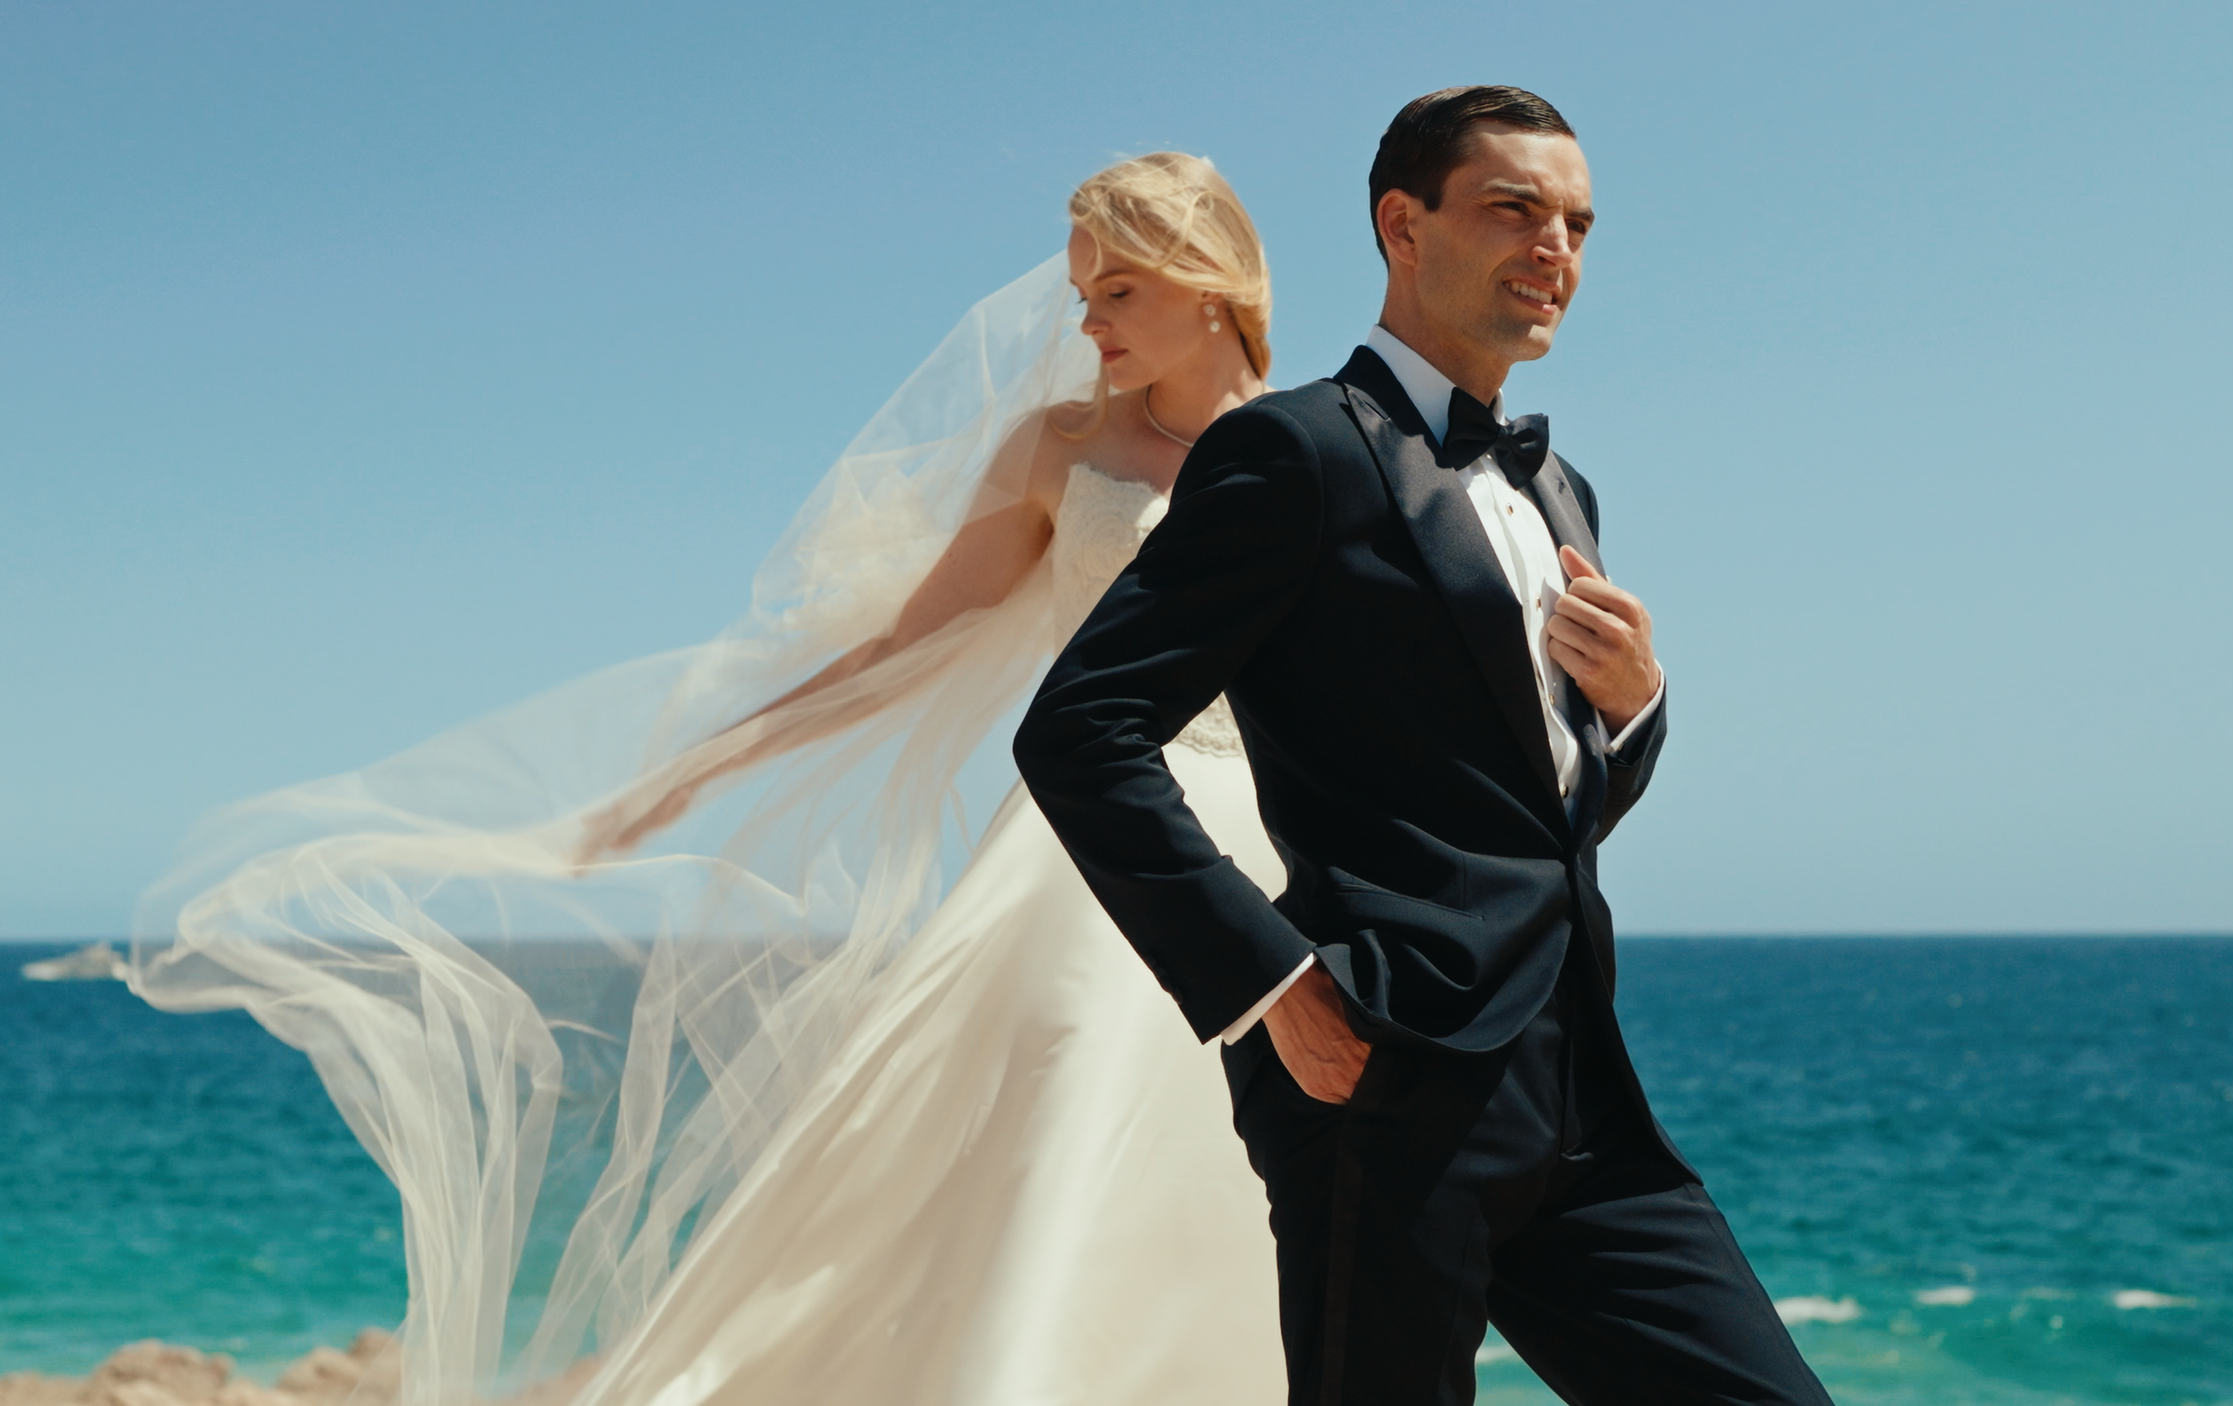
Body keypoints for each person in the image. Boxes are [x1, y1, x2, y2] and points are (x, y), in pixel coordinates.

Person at [131, 154, 1291, 1406]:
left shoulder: (1321, 445)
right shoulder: (1060, 450)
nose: (1087, 323)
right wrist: (711, 759)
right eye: (1081, 292)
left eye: (1115, 289)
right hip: (1078, 854)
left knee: (1239, 1170)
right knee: (1057, 1118)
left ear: (1209, 282)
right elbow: (907, 641)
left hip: (1276, 848)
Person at [1016, 88, 1835, 1405]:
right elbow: (1080, 731)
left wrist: (1632, 708)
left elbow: (1534, 804)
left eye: (1576, 222)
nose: (1554, 245)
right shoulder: (1289, 455)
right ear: (1403, 226)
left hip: (1579, 1095)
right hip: (1383, 1082)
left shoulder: (1562, 490)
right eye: (1514, 208)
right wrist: (1273, 985)